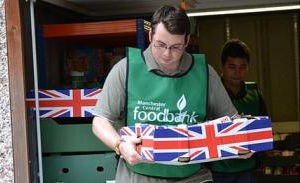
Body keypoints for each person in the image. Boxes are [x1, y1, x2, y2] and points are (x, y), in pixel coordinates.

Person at [92, 5, 241, 183]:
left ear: (186, 41)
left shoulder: (205, 73)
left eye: (176, 47)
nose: (167, 54)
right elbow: (100, 121)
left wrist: (242, 143)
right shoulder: (125, 69)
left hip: (192, 176)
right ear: (150, 36)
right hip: (139, 176)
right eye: (160, 44)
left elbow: (233, 120)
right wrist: (120, 145)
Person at [210, 39, 267, 183]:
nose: (237, 72)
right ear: (222, 66)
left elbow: (264, 131)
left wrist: (260, 161)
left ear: (248, 67)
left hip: (247, 170)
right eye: (232, 67)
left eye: (242, 67)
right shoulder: (209, 94)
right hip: (218, 170)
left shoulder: (255, 94)